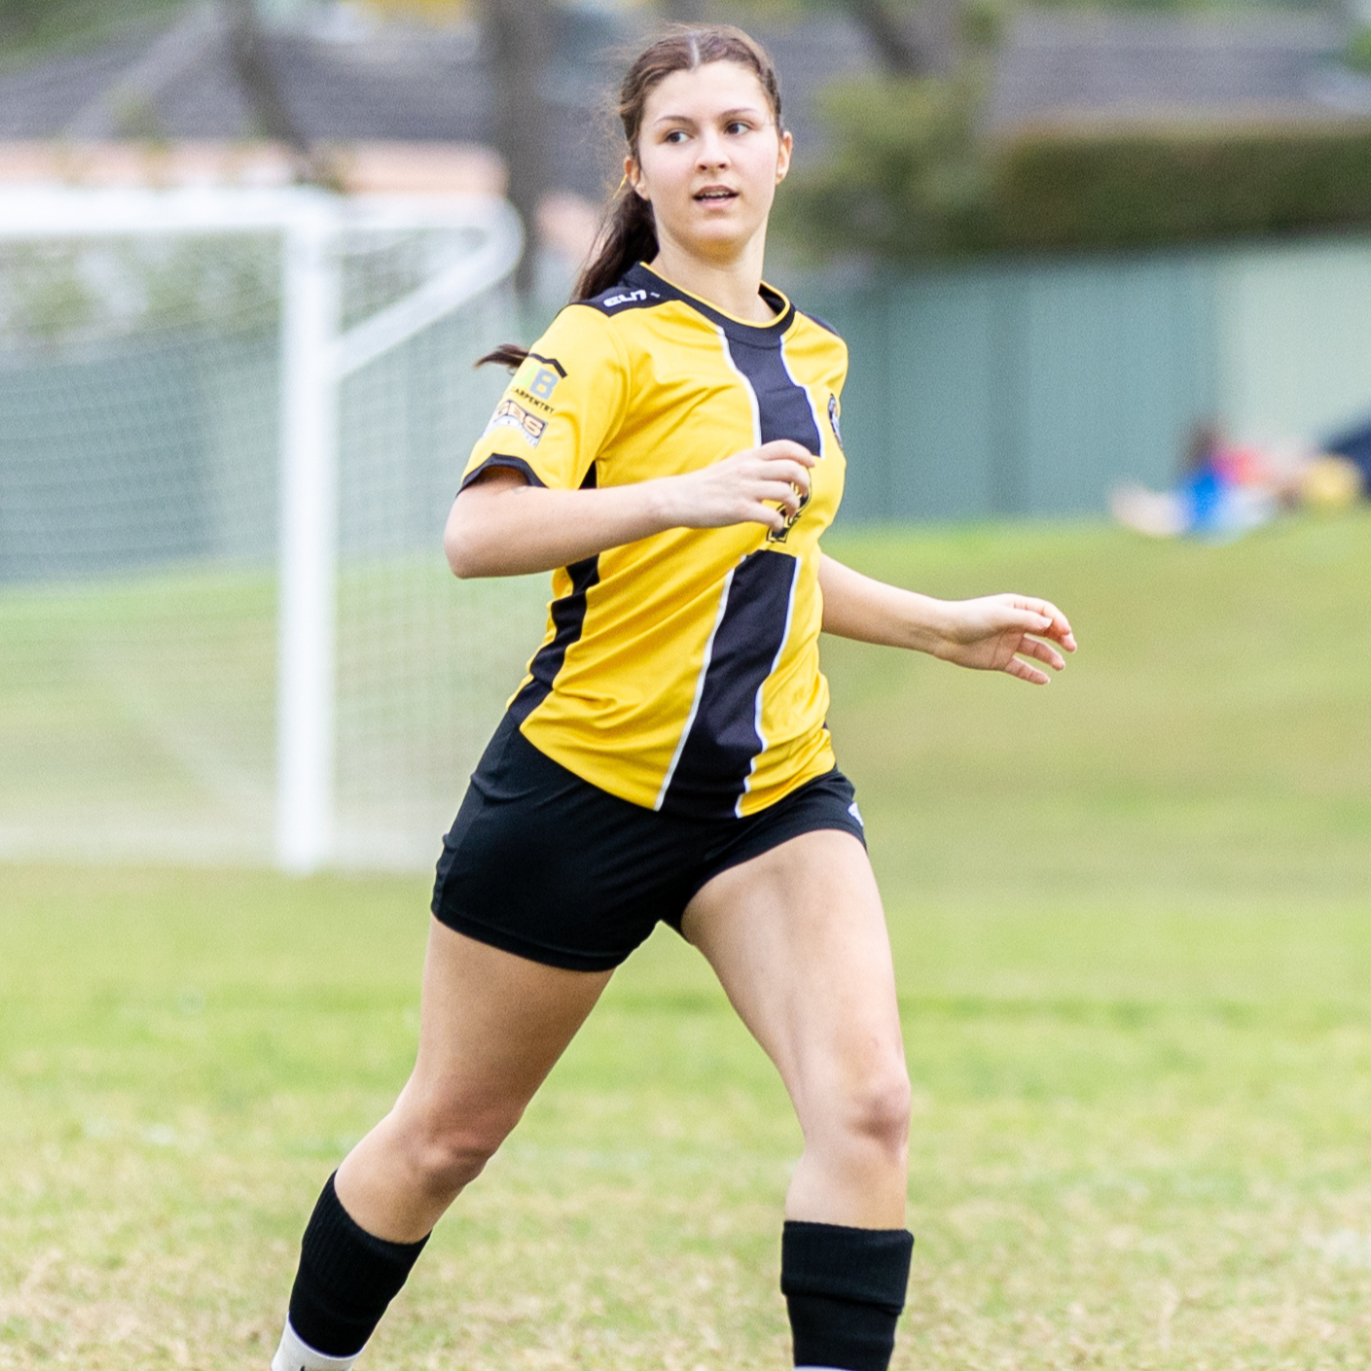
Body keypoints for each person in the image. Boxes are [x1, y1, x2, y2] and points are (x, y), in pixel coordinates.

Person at [269, 24, 1076, 1371]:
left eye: (734, 128)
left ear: (779, 153)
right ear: (638, 170)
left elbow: (775, 555)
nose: (711, 154)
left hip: (769, 799)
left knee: (867, 1108)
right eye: (678, 134)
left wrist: (939, 625)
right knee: (446, 1135)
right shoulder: (599, 343)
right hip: (577, 794)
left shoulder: (812, 354)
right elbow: (478, 533)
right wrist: (673, 497)